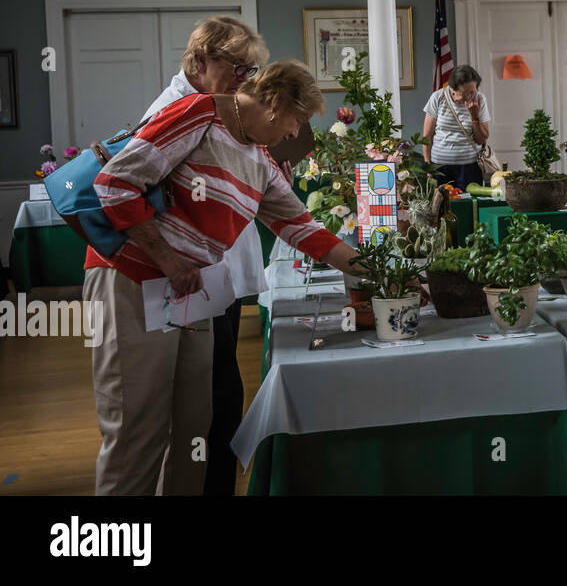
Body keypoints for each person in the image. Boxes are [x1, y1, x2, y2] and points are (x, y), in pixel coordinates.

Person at [83, 60, 361, 495]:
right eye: (297, 120)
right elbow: (114, 183)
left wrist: (381, 273)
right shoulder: (199, 112)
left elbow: (305, 230)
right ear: (274, 104)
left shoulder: (260, 161)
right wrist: (169, 261)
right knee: (137, 431)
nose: (295, 134)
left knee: (194, 428)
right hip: (134, 278)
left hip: (194, 290)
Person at [141, 15, 269, 497]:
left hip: (219, 275)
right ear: (199, 61)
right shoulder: (172, 110)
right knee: (205, 396)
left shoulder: (219, 106)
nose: (245, 78)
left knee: (221, 387)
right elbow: (128, 189)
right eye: (238, 67)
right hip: (191, 276)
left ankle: (215, 486)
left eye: (251, 69)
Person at [422, 65, 491, 190]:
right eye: (465, 93)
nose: (470, 96)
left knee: (469, 206)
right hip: (439, 167)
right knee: (442, 206)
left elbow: (482, 139)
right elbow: (427, 136)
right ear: (453, 89)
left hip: (470, 167)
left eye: (473, 91)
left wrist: (474, 115)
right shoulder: (437, 97)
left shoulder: (480, 99)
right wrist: (428, 167)